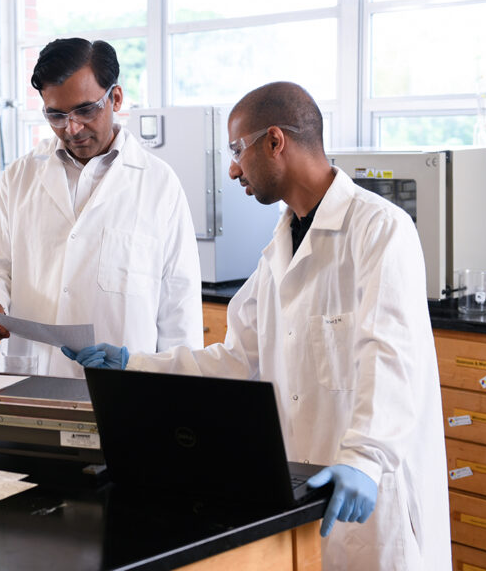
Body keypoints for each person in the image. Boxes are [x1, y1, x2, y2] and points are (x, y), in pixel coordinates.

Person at [64, 82, 451, 570]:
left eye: (236, 150)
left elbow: (391, 357)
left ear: (275, 142)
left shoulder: (379, 230)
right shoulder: (280, 249)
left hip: (369, 492)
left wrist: (365, 460)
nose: (231, 169)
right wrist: (133, 363)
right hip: (304, 490)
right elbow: (236, 357)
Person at [0, 38, 203, 378]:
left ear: (115, 98)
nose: (71, 128)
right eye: (56, 115)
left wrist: (175, 397)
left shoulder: (159, 185)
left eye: (85, 110)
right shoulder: (20, 177)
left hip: (124, 390)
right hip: (31, 377)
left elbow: (180, 309)